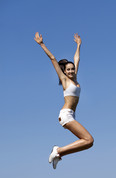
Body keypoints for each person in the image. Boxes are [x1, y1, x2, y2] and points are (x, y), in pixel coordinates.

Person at [34, 32, 94, 169]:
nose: (72, 71)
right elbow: (53, 58)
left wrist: (78, 45)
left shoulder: (75, 79)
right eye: (69, 70)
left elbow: (77, 59)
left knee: (88, 142)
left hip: (71, 115)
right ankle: (58, 150)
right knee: (89, 140)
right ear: (65, 72)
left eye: (73, 69)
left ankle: (59, 153)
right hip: (65, 114)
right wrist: (42, 44)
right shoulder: (65, 80)